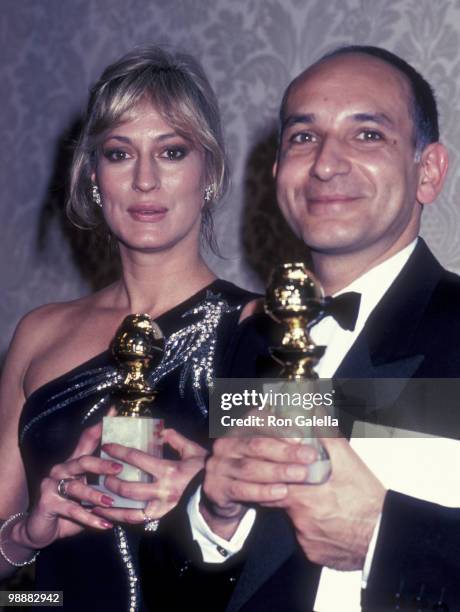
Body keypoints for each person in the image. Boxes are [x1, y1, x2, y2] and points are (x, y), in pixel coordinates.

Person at [144, 46, 460, 611]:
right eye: (303, 137)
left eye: (367, 135)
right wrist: (213, 515)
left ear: (429, 171)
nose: (326, 164)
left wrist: (380, 536)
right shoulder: (241, 340)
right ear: (277, 173)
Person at [0, 45, 256, 612]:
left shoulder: (259, 330)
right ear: (93, 175)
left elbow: (309, 540)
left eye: (170, 151)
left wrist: (205, 489)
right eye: (119, 154)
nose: (144, 180)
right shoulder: (38, 334)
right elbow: (14, 581)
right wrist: (24, 539)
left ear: (208, 172)